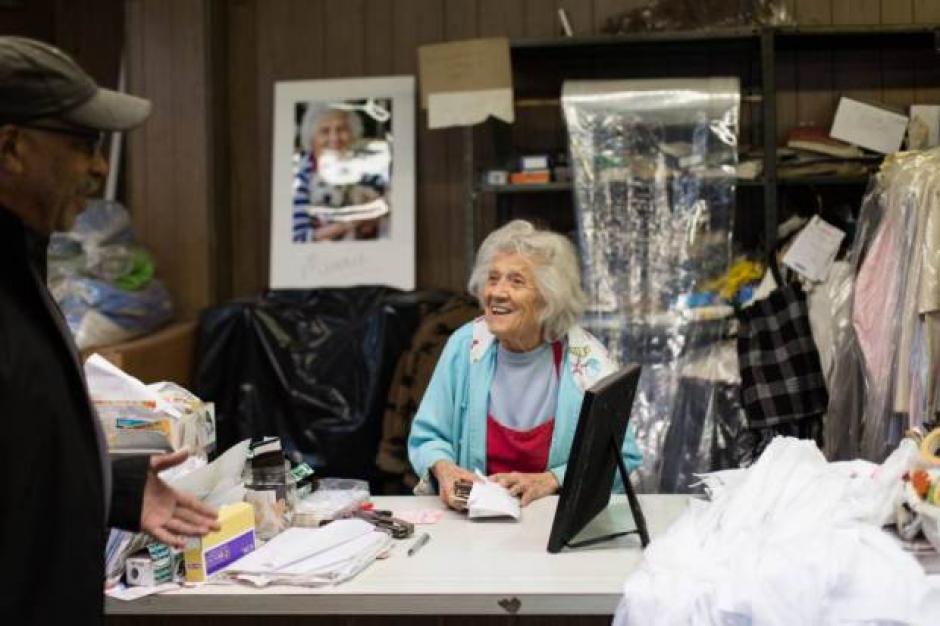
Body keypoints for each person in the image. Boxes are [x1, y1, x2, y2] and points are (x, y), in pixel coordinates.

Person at [0, 37, 219, 624]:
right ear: (11, 147)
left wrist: (109, 482)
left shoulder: (22, 265)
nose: (99, 167)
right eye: (83, 144)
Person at [408, 220, 642, 508]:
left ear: (548, 297)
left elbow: (622, 455)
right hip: (473, 521)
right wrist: (445, 470)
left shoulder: (588, 362)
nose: (497, 292)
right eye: (493, 279)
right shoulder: (465, 346)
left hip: (554, 521)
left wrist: (553, 479)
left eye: (516, 281)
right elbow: (428, 437)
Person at [292, 103, 387, 242]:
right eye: (325, 131)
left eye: (341, 129)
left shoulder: (368, 172)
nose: (334, 138)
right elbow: (298, 238)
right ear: (311, 139)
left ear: (353, 135)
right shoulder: (300, 179)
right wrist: (351, 222)